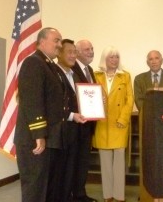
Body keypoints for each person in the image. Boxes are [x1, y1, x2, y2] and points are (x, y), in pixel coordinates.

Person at [14, 27, 67, 202]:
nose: (60, 45)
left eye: (60, 41)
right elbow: (32, 101)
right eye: (56, 40)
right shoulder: (33, 63)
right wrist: (39, 134)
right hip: (34, 139)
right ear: (42, 41)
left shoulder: (49, 65)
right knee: (35, 189)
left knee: (46, 187)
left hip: (48, 137)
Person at [134, 50, 163, 201]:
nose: (153, 61)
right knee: (148, 159)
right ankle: (147, 191)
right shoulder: (139, 79)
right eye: (150, 59)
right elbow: (139, 100)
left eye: (156, 58)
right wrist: (152, 115)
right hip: (148, 126)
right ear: (147, 62)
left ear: (161, 60)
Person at [92, 46, 134, 202]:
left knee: (119, 162)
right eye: (111, 57)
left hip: (119, 124)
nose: (114, 60)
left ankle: (119, 195)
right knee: (105, 161)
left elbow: (129, 100)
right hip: (102, 123)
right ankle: (107, 195)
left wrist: (123, 119)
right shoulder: (96, 75)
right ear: (105, 59)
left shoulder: (125, 76)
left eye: (116, 57)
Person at [56, 39, 87, 202]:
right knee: (60, 173)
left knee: (70, 170)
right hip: (59, 132)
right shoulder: (53, 72)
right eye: (69, 51)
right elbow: (54, 102)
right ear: (59, 53)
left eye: (75, 52)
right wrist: (71, 115)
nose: (73, 55)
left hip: (74, 131)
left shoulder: (74, 74)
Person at [71, 39, 98, 202]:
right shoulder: (71, 69)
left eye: (92, 48)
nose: (91, 51)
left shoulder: (90, 70)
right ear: (77, 52)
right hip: (75, 124)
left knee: (83, 162)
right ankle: (73, 195)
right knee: (73, 162)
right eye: (87, 49)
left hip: (88, 125)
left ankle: (80, 194)